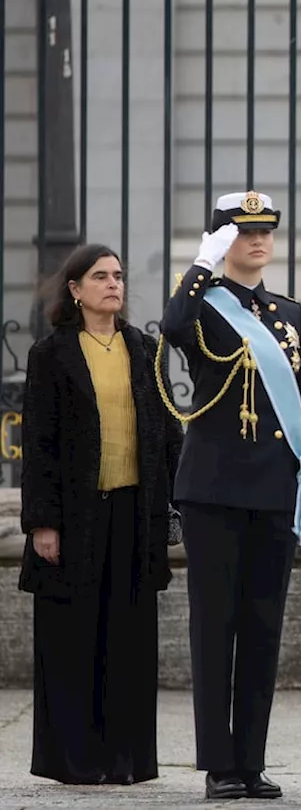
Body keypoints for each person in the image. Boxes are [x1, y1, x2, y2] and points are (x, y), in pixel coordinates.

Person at [160, 191, 301, 801]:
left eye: (265, 232)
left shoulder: (288, 312)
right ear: (222, 240)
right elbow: (173, 328)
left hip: (274, 488)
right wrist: (201, 265)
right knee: (215, 628)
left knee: (262, 628)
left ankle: (251, 761)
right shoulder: (202, 305)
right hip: (214, 490)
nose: (257, 241)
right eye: (242, 232)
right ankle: (218, 764)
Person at [19, 244, 182, 786]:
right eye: (99, 276)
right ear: (75, 289)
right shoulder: (51, 355)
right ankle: (76, 760)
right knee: (72, 640)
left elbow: (168, 435)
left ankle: (127, 761)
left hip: (135, 515)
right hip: (75, 518)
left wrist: (177, 506)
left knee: (130, 641)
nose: (113, 284)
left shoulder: (145, 349)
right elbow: (38, 444)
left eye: (117, 275)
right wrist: (43, 522)